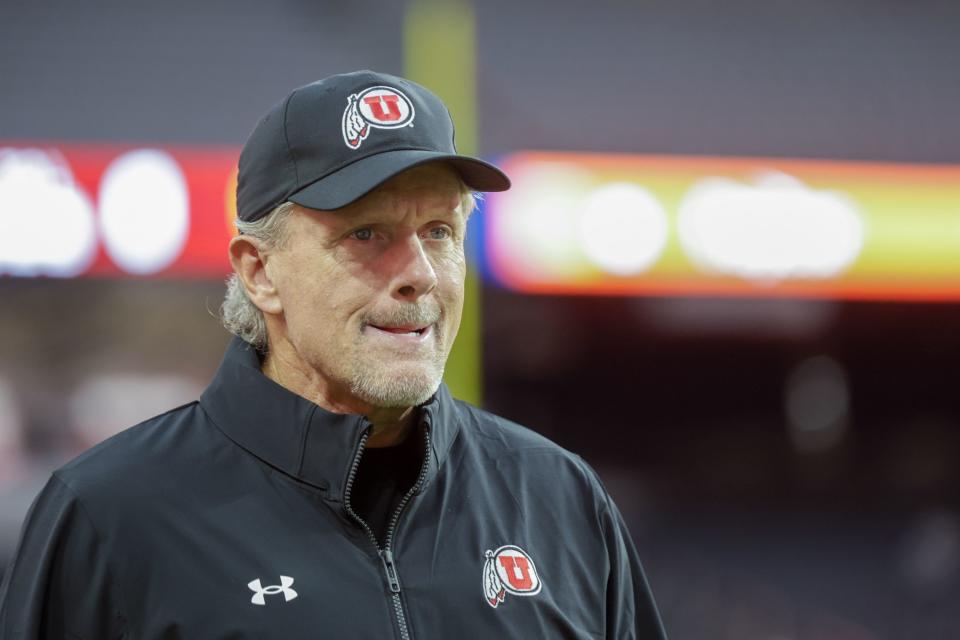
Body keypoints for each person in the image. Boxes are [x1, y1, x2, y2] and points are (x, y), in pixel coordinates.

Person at [0, 70, 667, 638]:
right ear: (260, 272)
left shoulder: (560, 497)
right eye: (367, 233)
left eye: (440, 232)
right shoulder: (109, 514)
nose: (420, 274)